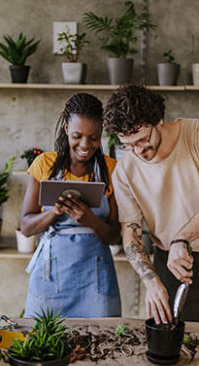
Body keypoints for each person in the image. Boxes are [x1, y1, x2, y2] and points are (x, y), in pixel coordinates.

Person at [103, 84, 199, 325]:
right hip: (169, 267)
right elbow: (131, 237)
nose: (137, 151)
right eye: (127, 145)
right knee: (173, 347)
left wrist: (182, 238)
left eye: (142, 140)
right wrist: (152, 282)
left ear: (158, 120)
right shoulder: (124, 172)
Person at [21, 93, 121, 318]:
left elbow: (114, 235)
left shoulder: (112, 169)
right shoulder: (44, 165)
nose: (85, 145)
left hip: (95, 280)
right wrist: (54, 213)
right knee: (44, 343)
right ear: (66, 128)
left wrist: (91, 221)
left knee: (100, 343)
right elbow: (26, 227)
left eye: (93, 137)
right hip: (52, 278)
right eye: (77, 135)